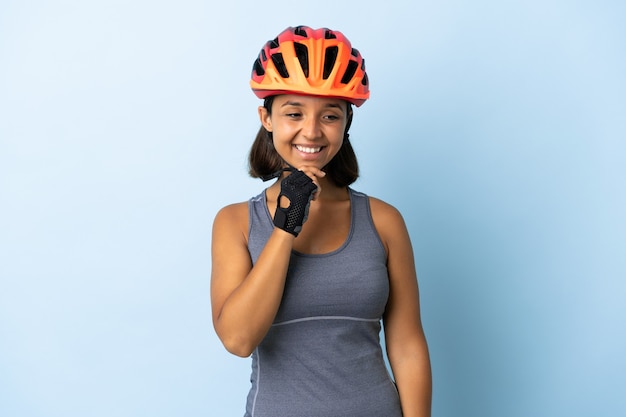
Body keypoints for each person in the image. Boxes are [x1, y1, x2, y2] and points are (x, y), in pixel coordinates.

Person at [211, 25, 432, 417]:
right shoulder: (236, 223)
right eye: (293, 113)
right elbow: (238, 338)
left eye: (329, 115)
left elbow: (408, 345)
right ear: (266, 118)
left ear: (346, 123)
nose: (311, 131)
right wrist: (286, 226)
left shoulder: (383, 221)